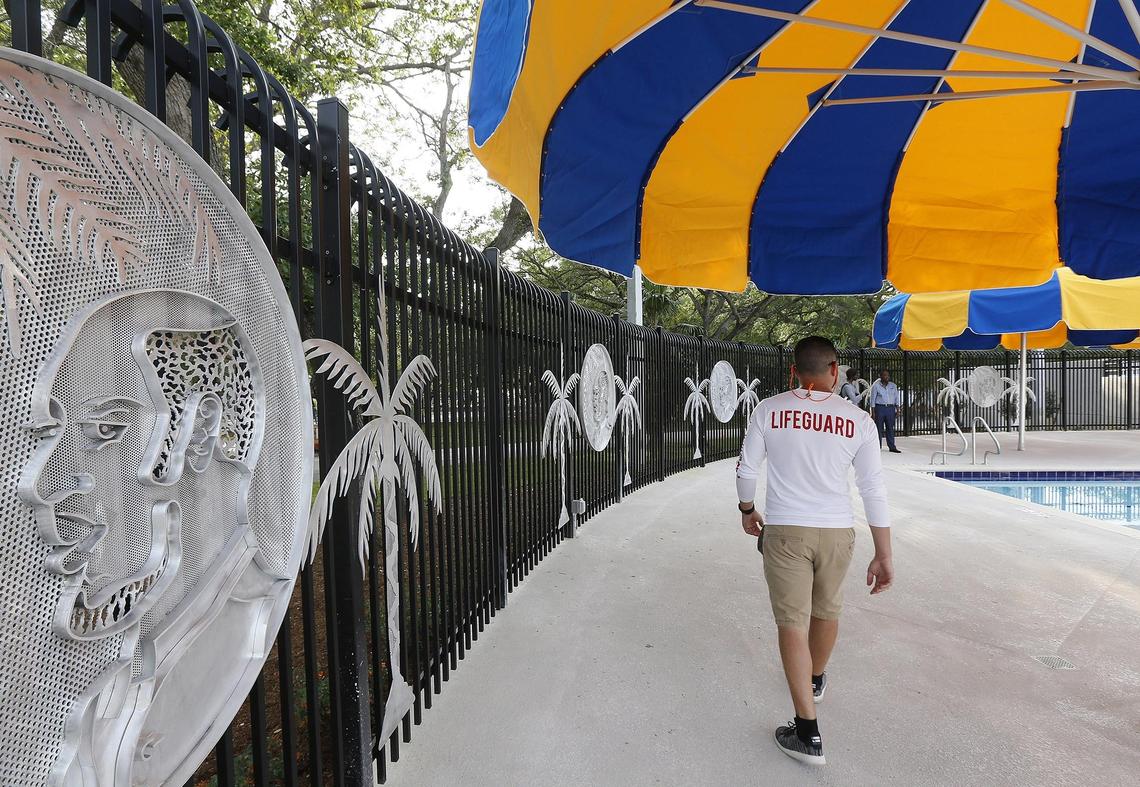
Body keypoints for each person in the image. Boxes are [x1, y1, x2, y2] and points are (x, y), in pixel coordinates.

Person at [736, 336, 894, 766]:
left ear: (793, 371)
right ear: (835, 370)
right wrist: (884, 553)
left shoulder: (769, 409)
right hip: (837, 532)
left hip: (786, 531)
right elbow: (873, 489)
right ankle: (816, 679)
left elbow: (747, 468)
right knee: (826, 611)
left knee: (792, 623)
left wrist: (748, 509)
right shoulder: (859, 421)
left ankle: (806, 734)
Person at [868, 368, 902, 453]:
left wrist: (898, 409)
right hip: (880, 408)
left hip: (890, 408)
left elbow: (896, 397)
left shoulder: (893, 386)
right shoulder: (876, 386)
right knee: (878, 427)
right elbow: (873, 399)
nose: (886, 377)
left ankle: (892, 446)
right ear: (881, 376)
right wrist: (873, 411)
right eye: (884, 375)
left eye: (887, 375)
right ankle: (877, 446)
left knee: (890, 428)